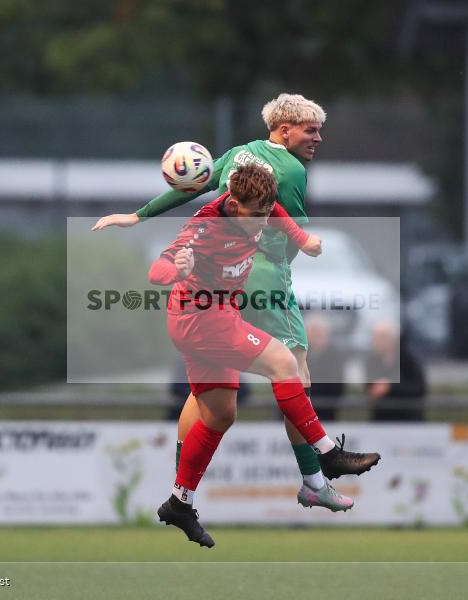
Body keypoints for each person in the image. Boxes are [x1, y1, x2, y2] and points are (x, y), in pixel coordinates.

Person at [93, 93, 353, 511]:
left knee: (210, 400)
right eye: (311, 130)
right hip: (262, 276)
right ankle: (315, 476)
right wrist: (298, 246)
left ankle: (181, 488)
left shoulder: (237, 156)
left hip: (214, 293)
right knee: (294, 371)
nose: (318, 138)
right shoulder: (292, 168)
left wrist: (139, 215)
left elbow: (191, 187)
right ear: (284, 130)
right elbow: (289, 221)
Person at [148, 165, 380, 547]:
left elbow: (276, 211)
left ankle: (179, 502)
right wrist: (175, 267)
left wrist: (301, 238)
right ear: (234, 205)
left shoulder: (255, 207)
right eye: (256, 215)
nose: (262, 222)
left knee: (221, 414)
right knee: (283, 363)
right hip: (201, 317)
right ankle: (328, 454)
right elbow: (156, 270)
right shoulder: (203, 231)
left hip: (213, 315)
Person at [364, 321, 427, 422]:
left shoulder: (409, 359)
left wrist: (390, 386)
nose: (375, 341)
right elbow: (369, 389)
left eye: (380, 337)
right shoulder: (372, 360)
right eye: (374, 337)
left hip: (408, 421)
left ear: (392, 339)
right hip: (381, 421)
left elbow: (418, 388)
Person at [304, 315, 346, 422]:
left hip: (326, 415)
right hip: (300, 415)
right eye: (313, 332)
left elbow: (337, 387)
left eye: (319, 333)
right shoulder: (298, 355)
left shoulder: (336, 358)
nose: (316, 336)